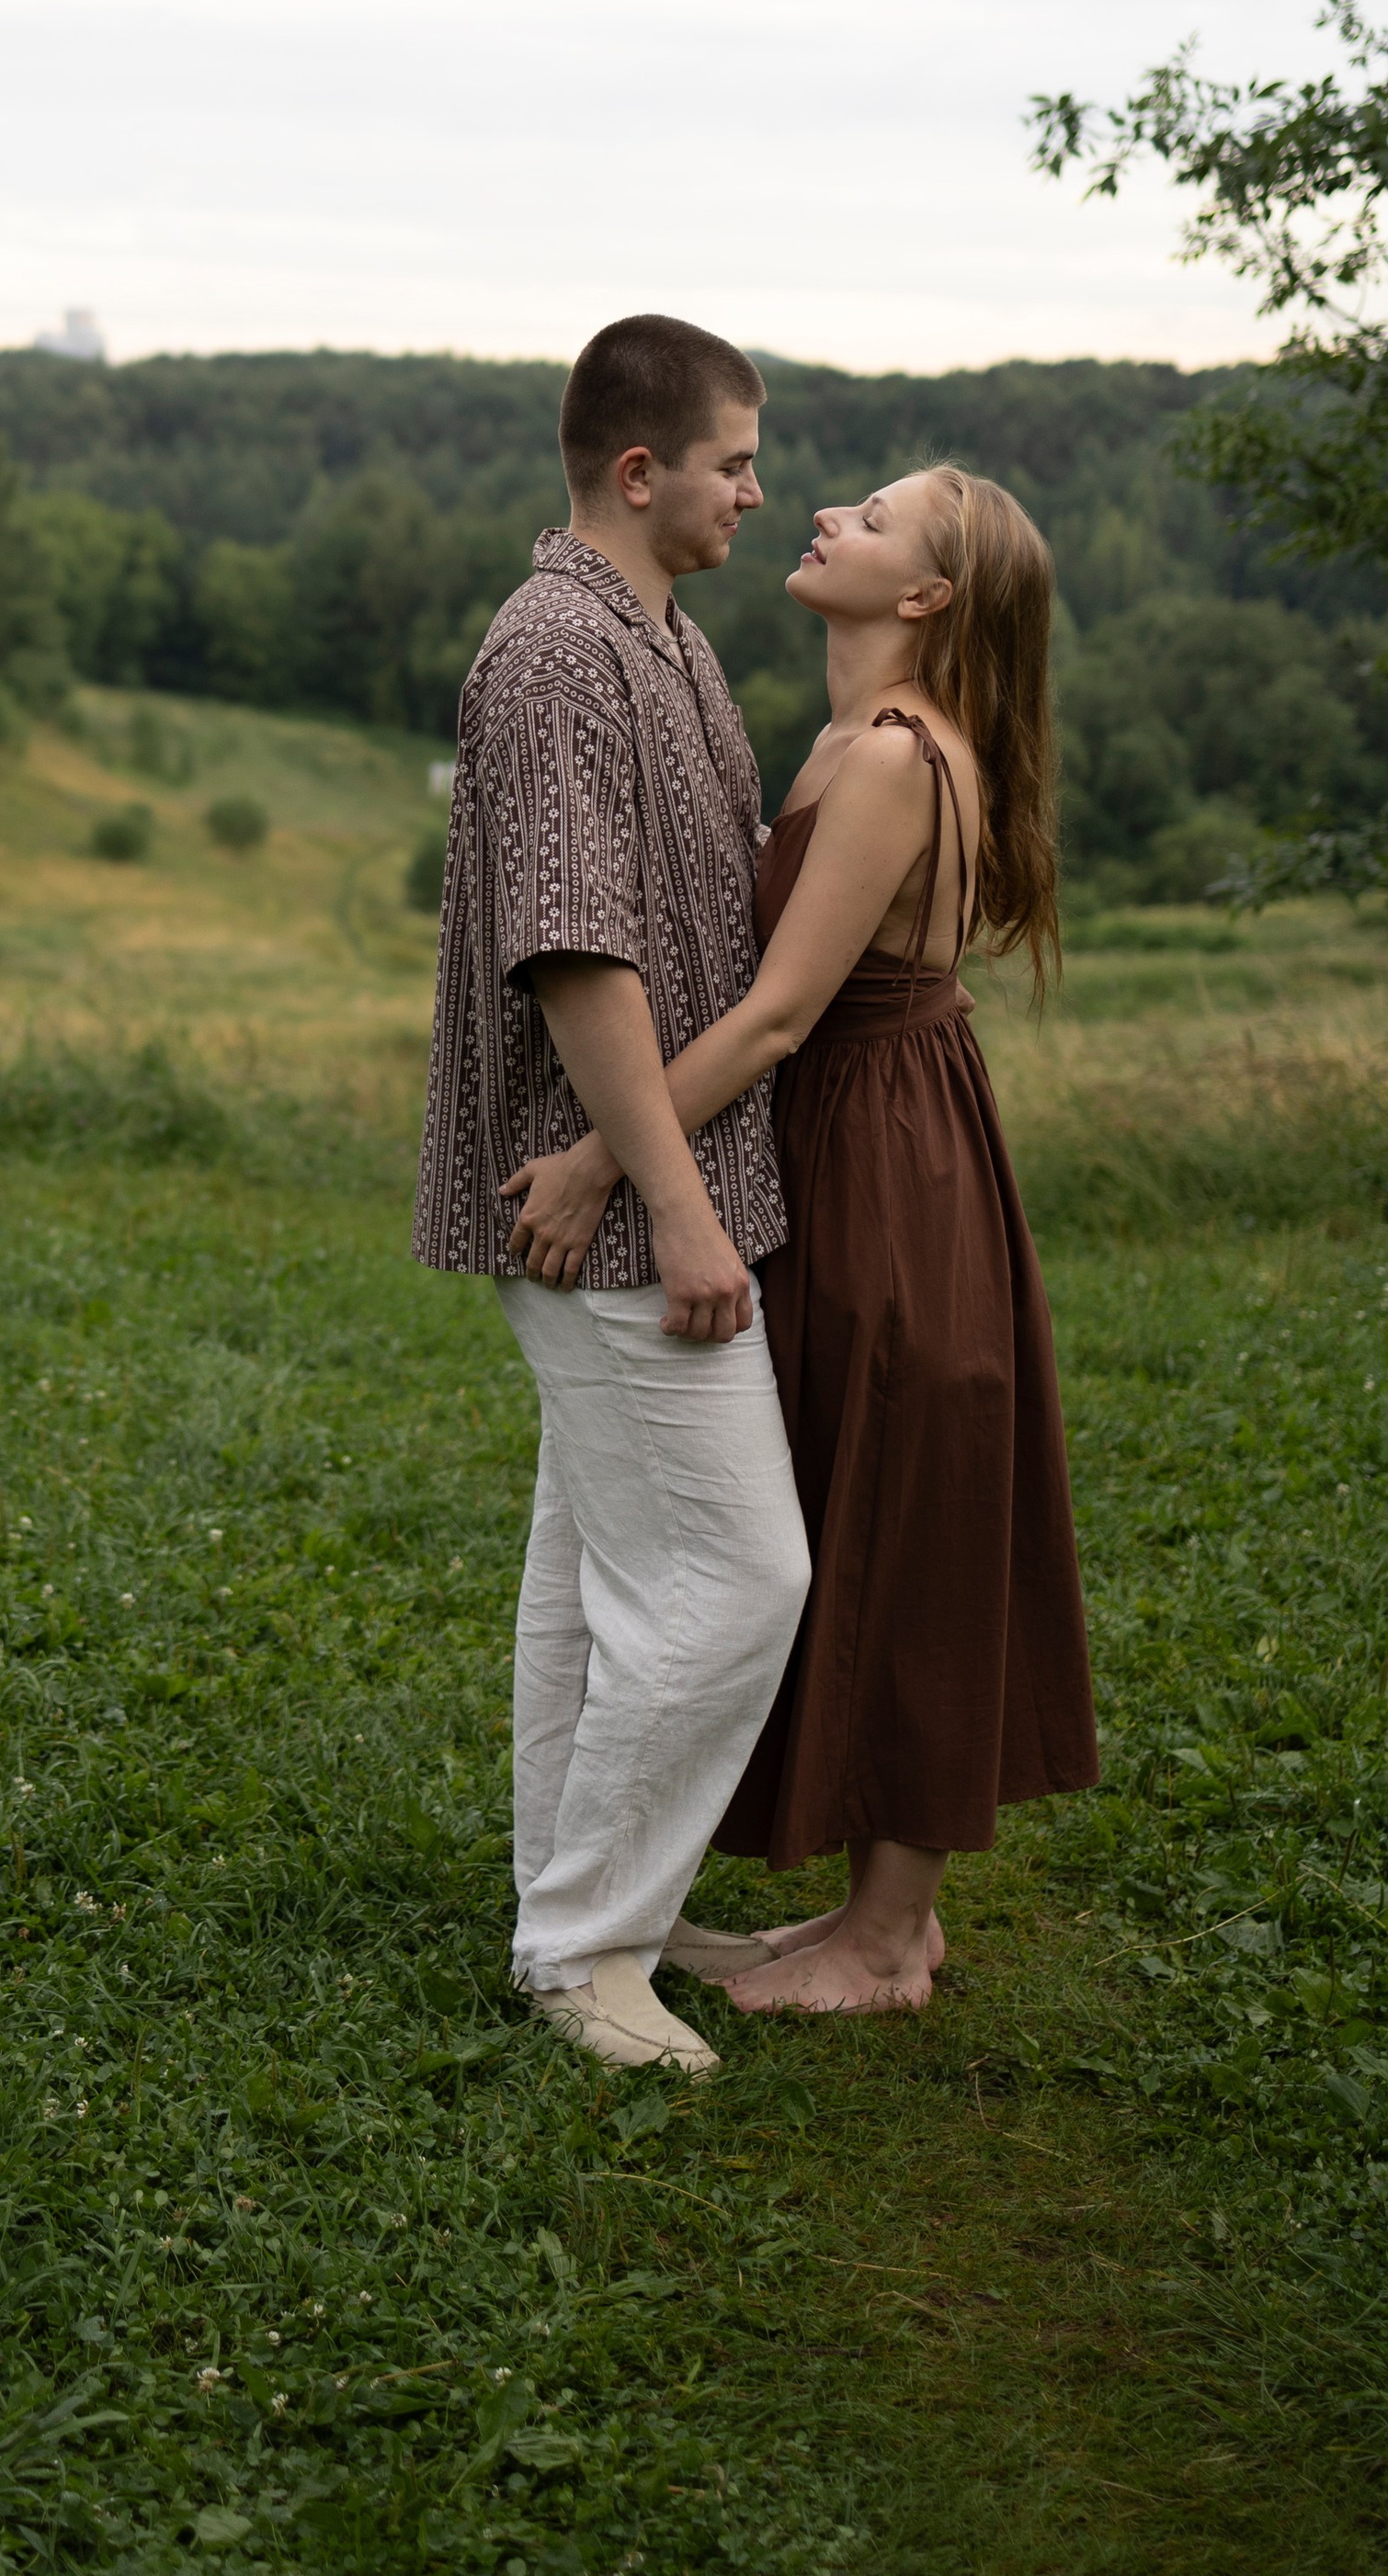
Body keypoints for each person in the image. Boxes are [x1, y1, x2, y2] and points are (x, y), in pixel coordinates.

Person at [501, 465, 1098, 2014]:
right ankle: (864, 1917)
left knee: (905, 1499)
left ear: (925, 599)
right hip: (861, 1133)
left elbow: (774, 1018)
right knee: (861, 1483)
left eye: (875, 520)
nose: (823, 513)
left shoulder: (897, 754)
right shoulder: (856, 734)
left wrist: (593, 1168)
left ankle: (889, 1941)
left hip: (880, 1149)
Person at [414, 312, 810, 2077]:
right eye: (734, 461)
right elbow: (576, 961)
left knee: (591, 1579)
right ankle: (585, 1953)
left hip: (651, 1184)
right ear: (639, 471)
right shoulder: (557, 653)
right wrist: (682, 1203)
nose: (757, 490)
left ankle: (591, 1909)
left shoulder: (670, 637)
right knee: (739, 1575)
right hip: (616, 1207)